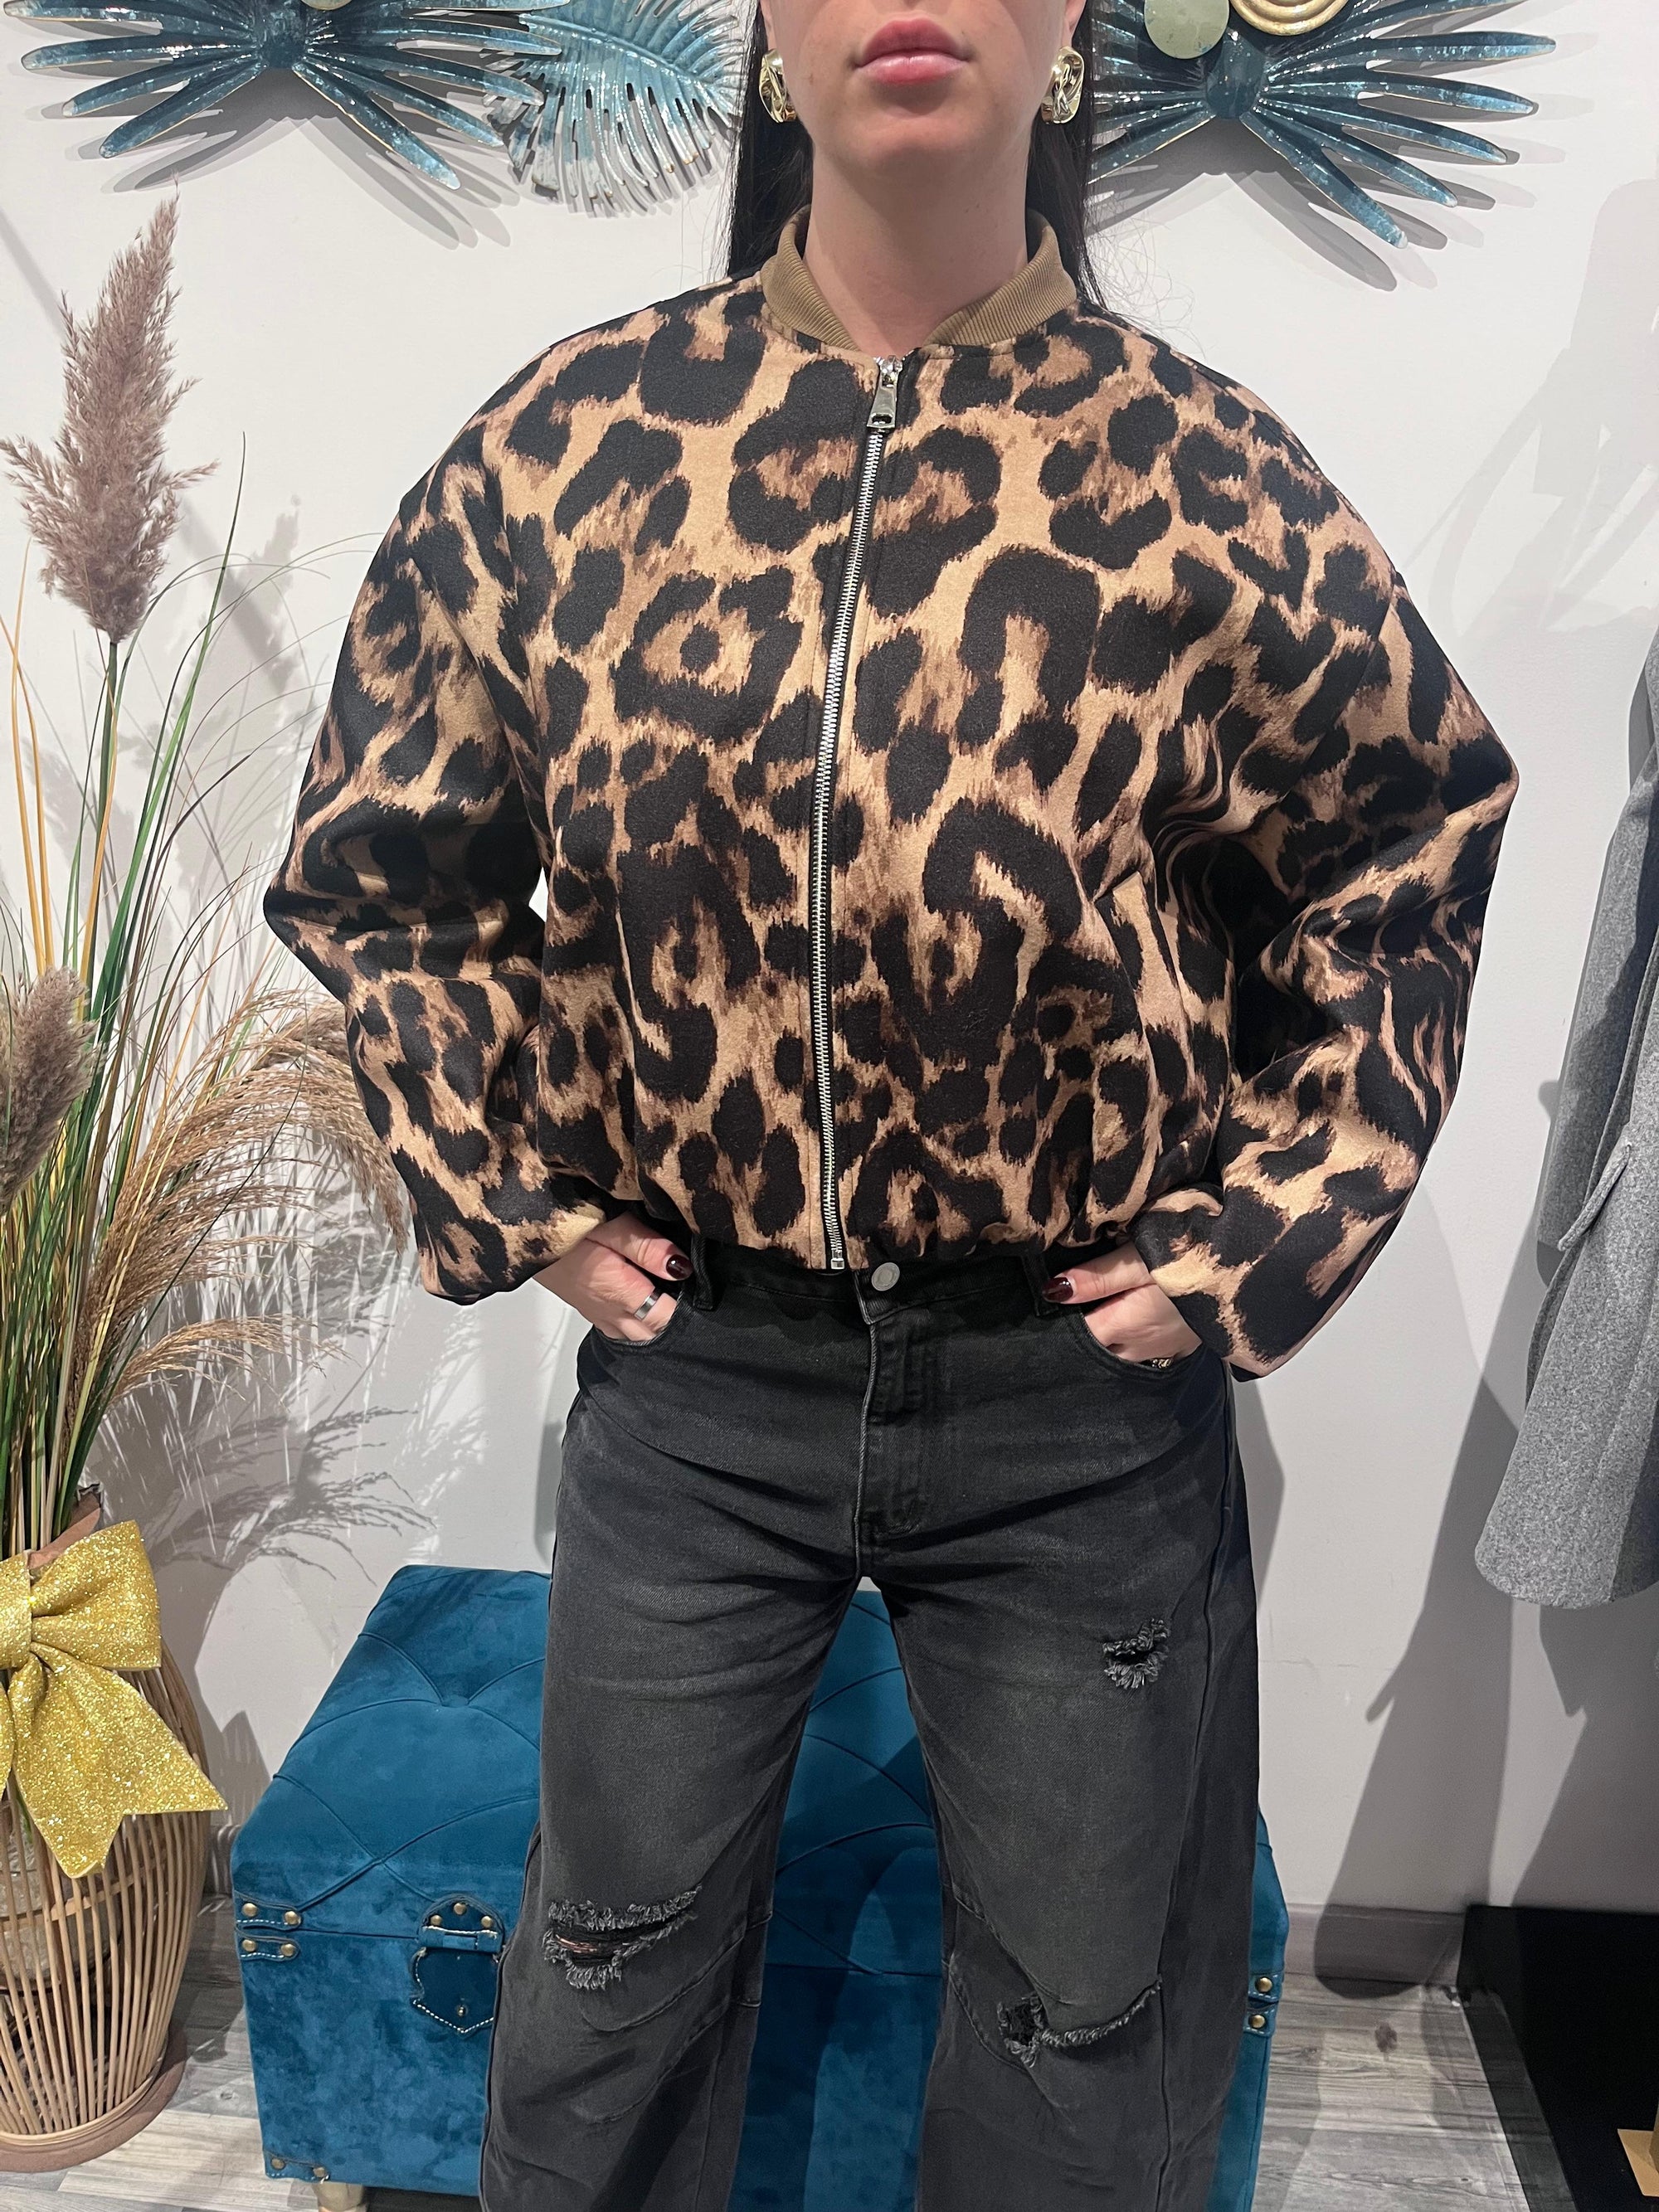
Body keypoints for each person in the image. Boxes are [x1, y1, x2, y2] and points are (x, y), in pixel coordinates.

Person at [264, 0, 1520, 2200]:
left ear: (1070, 32)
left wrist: (1257, 1235)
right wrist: (513, 1196)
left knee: (1083, 2028)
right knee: (606, 1986)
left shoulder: (1199, 472)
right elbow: (386, 869)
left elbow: (1409, 844)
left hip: (1067, 1404)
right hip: (703, 1383)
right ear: (769, 36)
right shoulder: (579, 445)